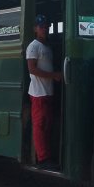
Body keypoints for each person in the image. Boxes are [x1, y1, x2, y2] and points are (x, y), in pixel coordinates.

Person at [26, 14, 62, 170]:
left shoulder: (47, 47)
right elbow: (32, 69)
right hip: (38, 93)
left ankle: (47, 155)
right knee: (39, 127)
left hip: (48, 92)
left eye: (46, 26)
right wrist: (53, 75)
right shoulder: (33, 46)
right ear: (35, 29)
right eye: (41, 26)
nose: (44, 29)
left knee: (47, 125)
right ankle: (42, 158)